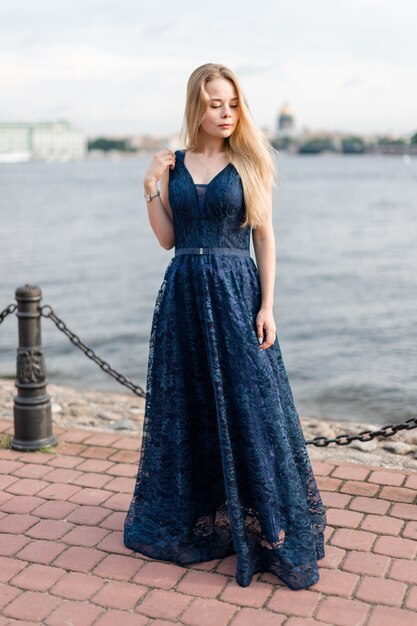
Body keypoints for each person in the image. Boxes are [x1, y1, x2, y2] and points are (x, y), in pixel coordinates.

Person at [124, 62, 327, 589]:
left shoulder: (250, 161)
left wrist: (269, 306)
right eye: (216, 103)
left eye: (233, 103)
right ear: (197, 104)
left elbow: (265, 237)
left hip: (239, 294)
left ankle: (267, 521)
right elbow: (169, 239)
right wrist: (150, 186)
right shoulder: (174, 164)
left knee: (251, 404)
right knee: (188, 405)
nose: (226, 113)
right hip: (184, 294)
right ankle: (201, 510)